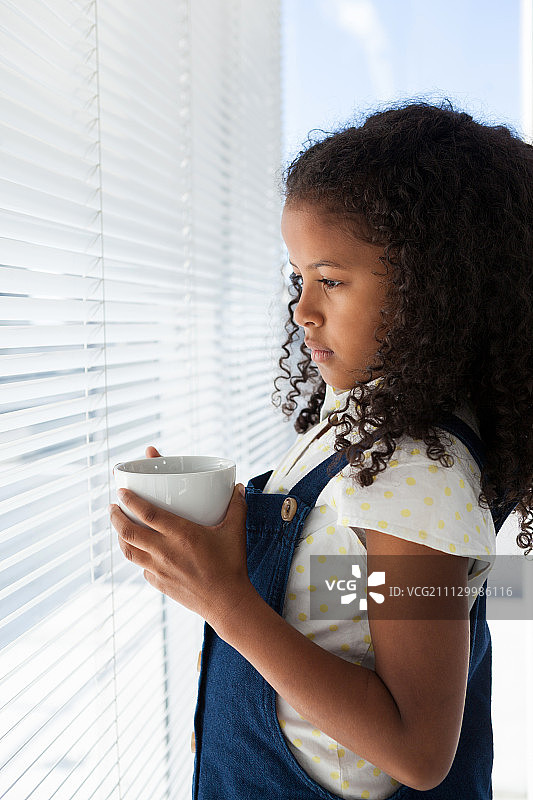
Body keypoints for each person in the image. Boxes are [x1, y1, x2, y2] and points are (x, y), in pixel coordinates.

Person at [109, 99, 533, 799]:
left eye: (331, 281)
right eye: (298, 279)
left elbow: (418, 750)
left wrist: (225, 599)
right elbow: (369, 592)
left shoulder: (414, 469)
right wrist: (229, 556)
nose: (302, 310)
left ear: (435, 290)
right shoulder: (368, 420)